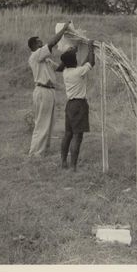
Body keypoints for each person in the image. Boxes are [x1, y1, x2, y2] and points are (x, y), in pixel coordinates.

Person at [27, 22, 70, 160]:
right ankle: (34, 154)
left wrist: (68, 54)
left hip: (49, 91)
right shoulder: (35, 56)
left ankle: (43, 150)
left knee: (49, 123)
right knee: (41, 123)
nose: (42, 43)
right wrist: (63, 30)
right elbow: (52, 43)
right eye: (39, 42)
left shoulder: (46, 60)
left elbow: (60, 69)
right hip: (42, 90)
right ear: (34, 46)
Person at [60, 40, 95, 171]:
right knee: (77, 136)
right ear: (73, 61)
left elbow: (85, 64)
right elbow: (91, 63)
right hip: (79, 105)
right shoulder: (77, 71)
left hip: (69, 105)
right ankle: (73, 166)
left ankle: (63, 162)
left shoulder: (67, 72)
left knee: (68, 134)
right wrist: (91, 48)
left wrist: (88, 52)